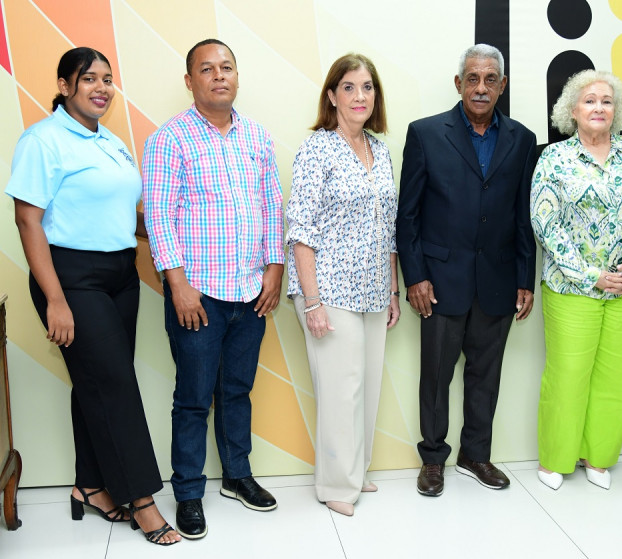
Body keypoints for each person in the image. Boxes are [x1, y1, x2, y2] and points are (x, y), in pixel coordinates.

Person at [5, 47, 180, 545]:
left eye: (107, 79)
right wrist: (55, 299)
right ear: (64, 86)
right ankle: (143, 501)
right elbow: (28, 219)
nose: (101, 87)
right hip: (70, 277)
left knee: (96, 384)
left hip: (120, 274)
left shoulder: (110, 142)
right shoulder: (43, 140)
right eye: (89, 79)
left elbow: (125, 216)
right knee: (117, 385)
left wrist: (173, 233)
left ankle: (89, 486)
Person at [142, 39, 284, 538]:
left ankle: (237, 477)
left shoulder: (258, 138)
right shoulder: (170, 139)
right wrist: (177, 284)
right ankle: (187, 492)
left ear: (237, 77)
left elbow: (272, 207)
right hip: (197, 296)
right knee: (194, 398)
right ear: (190, 81)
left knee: (237, 391)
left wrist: (274, 268)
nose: (219, 76)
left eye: (227, 67)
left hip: (251, 292)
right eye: (207, 69)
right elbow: (158, 217)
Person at [396, 44, 537, 497]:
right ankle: (433, 460)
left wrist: (524, 278)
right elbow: (408, 215)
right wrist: (415, 276)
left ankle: (476, 454)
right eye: (472, 78)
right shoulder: (425, 133)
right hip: (438, 282)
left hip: (497, 281)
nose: (481, 87)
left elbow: (522, 216)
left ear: (502, 85)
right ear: (459, 84)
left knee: (486, 375)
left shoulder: (522, 139)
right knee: (436, 376)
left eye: (490, 79)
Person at [530, 70, 622, 491]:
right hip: (572, 288)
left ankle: (599, 456)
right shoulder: (555, 158)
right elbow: (544, 221)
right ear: (572, 110)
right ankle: (555, 460)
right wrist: (590, 275)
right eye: (589, 101)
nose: (599, 108)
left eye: (606, 101)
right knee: (569, 374)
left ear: (617, 110)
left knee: (617, 377)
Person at [286, 53, 400, 517]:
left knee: (367, 384)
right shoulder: (317, 149)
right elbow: (301, 229)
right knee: (340, 387)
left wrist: (392, 291)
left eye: (368, 87)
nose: (360, 96)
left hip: (373, 287)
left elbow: (389, 228)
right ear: (332, 95)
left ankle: (356, 470)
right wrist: (311, 302)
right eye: (349, 87)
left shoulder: (381, 149)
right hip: (327, 289)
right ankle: (335, 484)